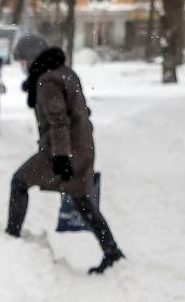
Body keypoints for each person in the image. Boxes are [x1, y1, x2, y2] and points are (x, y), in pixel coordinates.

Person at [7, 47, 124, 274]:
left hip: (61, 150)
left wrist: (61, 156)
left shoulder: (47, 81)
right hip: (82, 146)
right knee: (81, 201)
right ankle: (112, 252)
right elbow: (82, 111)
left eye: (23, 61)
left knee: (19, 182)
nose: (22, 67)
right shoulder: (65, 73)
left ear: (32, 60)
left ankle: (11, 236)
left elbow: (59, 121)